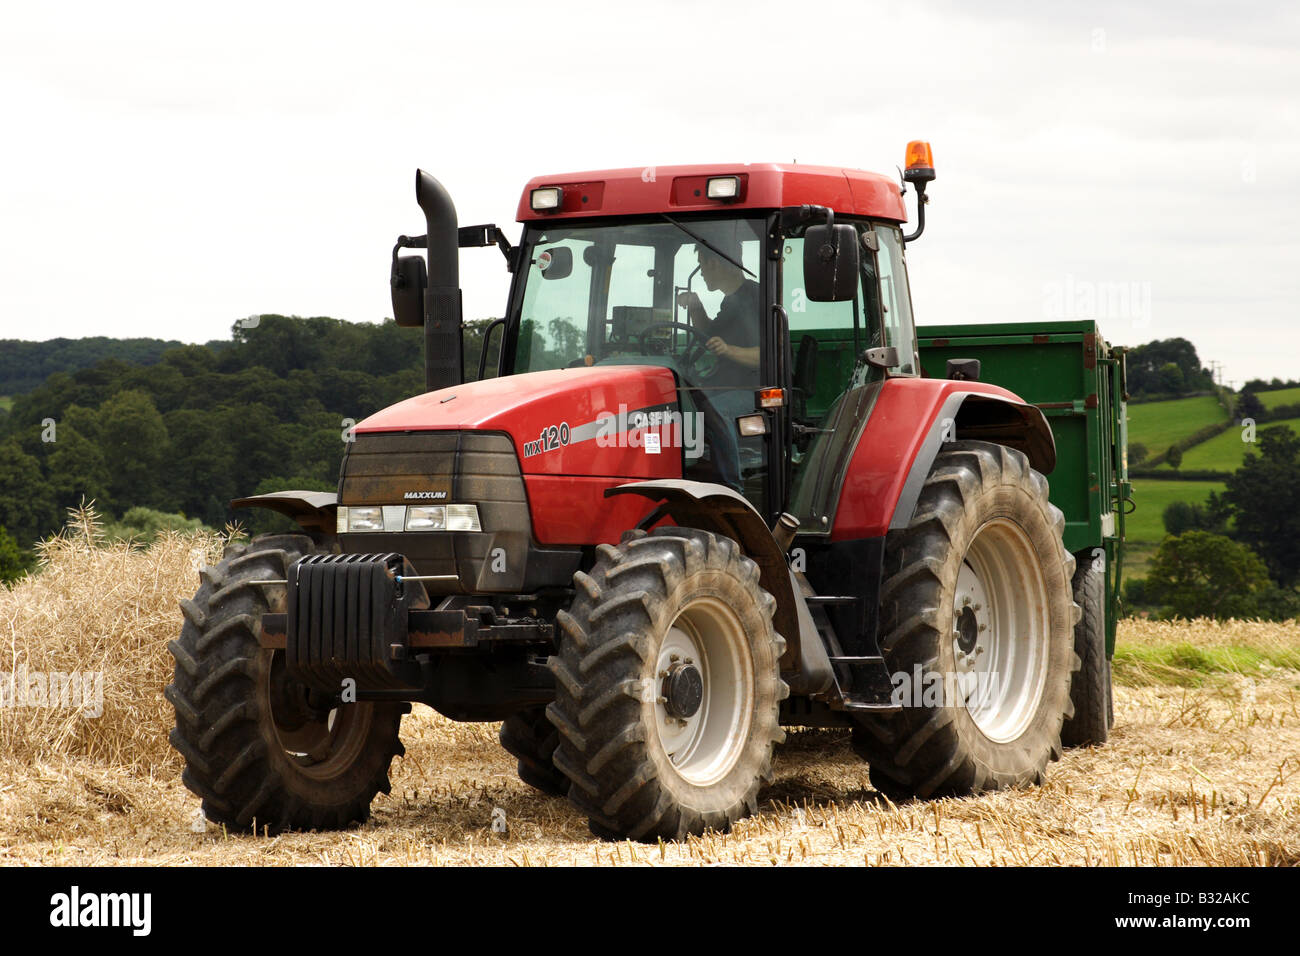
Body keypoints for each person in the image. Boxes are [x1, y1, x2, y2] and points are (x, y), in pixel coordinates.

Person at [674, 243, 761, 490]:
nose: (701, 272)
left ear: (715, 263)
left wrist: (728, 349)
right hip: (727, 385)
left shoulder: (754, 298)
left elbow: (767, 355)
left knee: (713, 410)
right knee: (681, 405)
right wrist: (695, 306)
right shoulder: (730, 302)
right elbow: (710, 336)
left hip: (757, 391)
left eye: (701, 265)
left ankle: (731, 487)